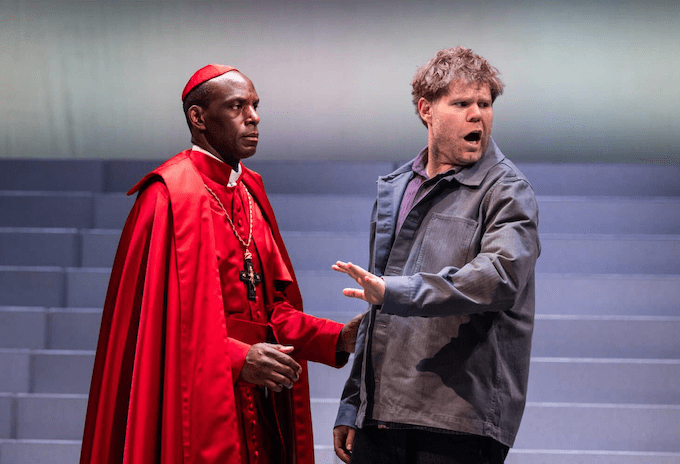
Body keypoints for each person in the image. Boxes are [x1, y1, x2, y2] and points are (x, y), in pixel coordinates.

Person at [80, 64, 362, 464]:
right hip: (192, 412)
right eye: (236, 106)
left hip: (260, 411)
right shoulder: (166, 196)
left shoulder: (250, 192)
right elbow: (158, 335)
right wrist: (236, 359)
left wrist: (338, 338)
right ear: (198, 118)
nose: (254, 117)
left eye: (255, 105)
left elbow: (273, 312)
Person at [332, 47, 541, 464]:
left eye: (485, 104)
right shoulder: (397, 188)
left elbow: (499, 278)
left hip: (459, 420)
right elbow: (378, 309)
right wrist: (353, 403)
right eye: (462, 104)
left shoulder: (507, 190)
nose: (477, 115)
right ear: (426, 110)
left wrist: (396, 292)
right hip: (381, 418)